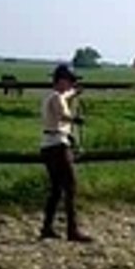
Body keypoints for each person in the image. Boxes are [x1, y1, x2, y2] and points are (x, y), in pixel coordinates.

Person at [39, 63, 93, 242]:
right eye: (69, 81)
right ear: (62, 81)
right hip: (58, 146)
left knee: (56, 189)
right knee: (70, 186)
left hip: (47, 146)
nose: (71, 85)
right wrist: (76, 119)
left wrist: (75, 92)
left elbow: (66, 96)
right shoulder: (57, 98)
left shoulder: (51, 96)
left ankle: (47, 227)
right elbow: (63, 114)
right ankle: (72, 230)